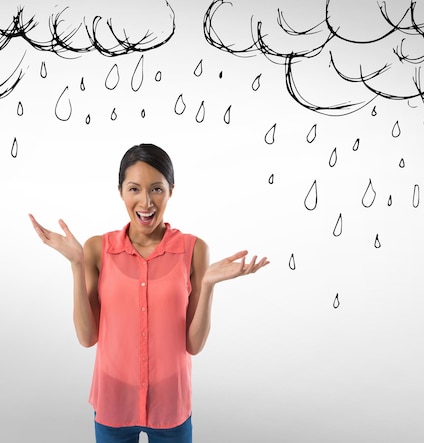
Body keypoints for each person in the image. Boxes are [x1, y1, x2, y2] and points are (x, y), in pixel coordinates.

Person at [29, 143, 269, 443]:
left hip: (170, 402)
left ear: (171, 190)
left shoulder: (194, 249)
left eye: (156, 189)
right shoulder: (96, 249)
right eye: (134, 189)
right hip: (113, 399)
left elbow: (193, 345)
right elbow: (87, 337)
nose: (146, 202)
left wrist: (207, 285)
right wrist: (77, 265)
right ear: (120, 192)